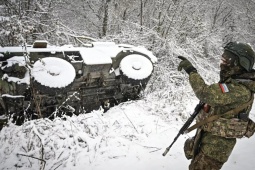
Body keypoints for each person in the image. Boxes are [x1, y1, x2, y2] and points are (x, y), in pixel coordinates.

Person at [178, 41, 255, 170]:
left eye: (227, 60)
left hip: (216, 148)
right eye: (223, 58)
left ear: (239, 63)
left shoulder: (240, 89)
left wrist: (191, 71)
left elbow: (205, 93)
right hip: (208, 138)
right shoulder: (234, 82)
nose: (222, 63)